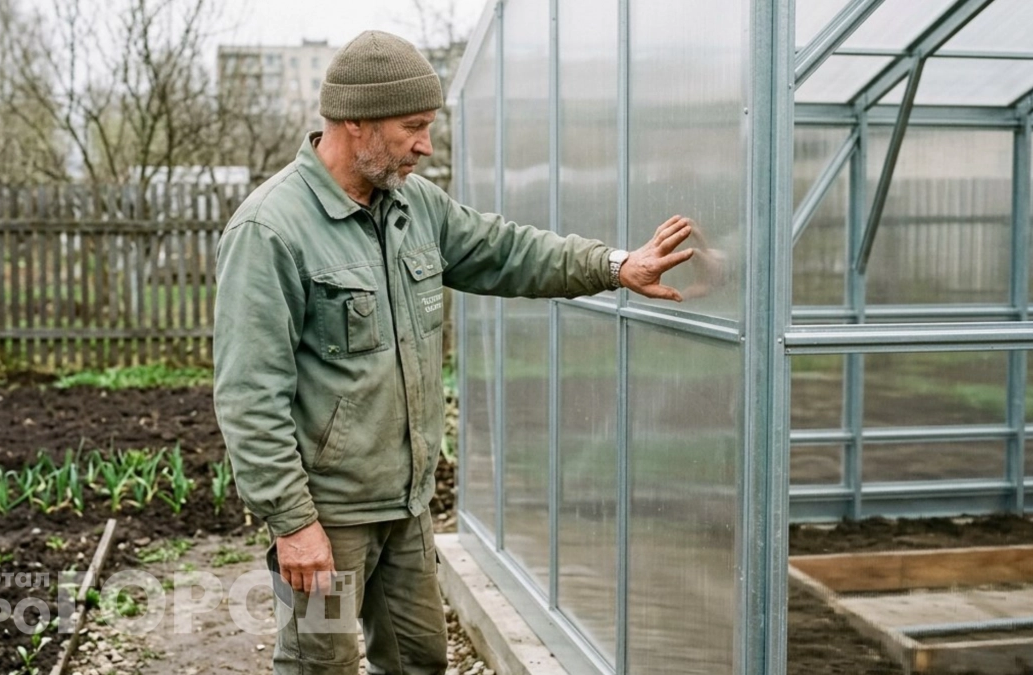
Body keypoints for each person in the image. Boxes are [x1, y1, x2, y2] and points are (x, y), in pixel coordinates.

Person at [213, 30, 700, 675]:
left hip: (408, 506)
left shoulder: (415, 206)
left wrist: (614, 266)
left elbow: (507, 251)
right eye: (413, 126)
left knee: (420, 658)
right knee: (318, 665)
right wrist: (292, 522)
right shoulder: (271, 230)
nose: (426, 145)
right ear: (355, 122)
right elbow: (249, 395)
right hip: (328, 517)